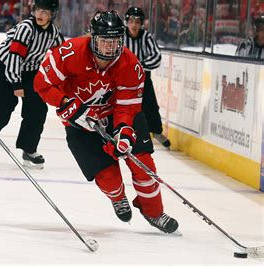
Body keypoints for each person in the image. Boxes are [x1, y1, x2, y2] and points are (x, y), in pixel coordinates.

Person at [34, 10, 179, 234]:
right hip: (79, 124)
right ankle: (118, 196)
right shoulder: (69, 53)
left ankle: (153, 211)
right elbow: (41, 83)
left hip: (116, 115)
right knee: (108, 176)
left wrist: (124, 131)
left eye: (115, 41)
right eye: (104, 41)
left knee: (143, 164)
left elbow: (127, 106)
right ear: (93, 38)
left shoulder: (130, 64)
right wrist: (65, 103)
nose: (110, 47)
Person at [0, 0, 64, 169]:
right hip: (4, 71)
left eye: (45, 12)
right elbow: (14, 56)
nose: (40, 14)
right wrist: (16, 83)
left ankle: (29, 148)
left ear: (52, 15)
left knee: (38, 110)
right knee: (1, 113)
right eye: (38, 10)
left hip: (30, 74)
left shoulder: (53, 32)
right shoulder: (26, 28)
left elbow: (63, 52)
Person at [124, 7, 171, 148]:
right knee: (122, 105)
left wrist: (139, 65)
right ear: (127, 22)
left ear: (141, 23)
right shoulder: (120, 36)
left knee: (150, 106)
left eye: (137, 22)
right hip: (123, 79)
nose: (134, 25)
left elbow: (156, 56)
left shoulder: (146, 37)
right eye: (131, 21)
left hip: (143, 78)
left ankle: (156, 131)